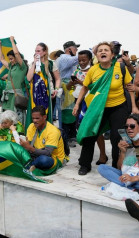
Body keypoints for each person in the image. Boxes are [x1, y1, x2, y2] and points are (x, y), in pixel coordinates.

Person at [73, 42, 136, 175]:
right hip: (98, 108)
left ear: (112, 54)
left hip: (118, 107)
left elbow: (130, 87)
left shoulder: (120, 67)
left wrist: (134, 107)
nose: (103, 52)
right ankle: (85, 165)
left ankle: (115, 166)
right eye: (100, 50)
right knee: (90, 134)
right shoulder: (93, 70)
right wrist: (77, 104)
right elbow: (85, 87)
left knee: (116, 137)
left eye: (106, 50)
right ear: (96, 55)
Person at [20, 106, 66, 174]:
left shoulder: (53, 131)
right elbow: (28, 144)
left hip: (51, 158)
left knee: (43, 160)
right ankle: (32, 165)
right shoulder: (31, 126)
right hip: (35, 155)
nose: (34, 121)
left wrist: (30, 148)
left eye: (37, 118)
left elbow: (48, 153)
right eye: (33, 118)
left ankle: (28, 166)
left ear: (44, 117)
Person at [98, 114, 139, 190]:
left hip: (136, 178)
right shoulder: (127, 144)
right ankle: (128, 186)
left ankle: (126, 185)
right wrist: (123, 152)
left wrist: (133, 179)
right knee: (102, 168)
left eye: (132, 126)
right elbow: (119, 168)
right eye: (126, 127)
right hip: (125, 175)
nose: (129, 129)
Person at [26, 42, 61, 126]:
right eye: (35, 51)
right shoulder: (32, 64)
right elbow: (28, 78)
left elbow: (58, 78)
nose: (36, 53)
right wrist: (34, 63)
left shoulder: (50, 64)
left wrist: (56, 89)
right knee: (34, 114)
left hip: (47, 93)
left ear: (44, 52)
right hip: (34, 94)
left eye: (38, 51)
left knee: (45, 114)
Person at [0, 36, 28, 127]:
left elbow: (17, 53)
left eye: (12, 58)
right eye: (9, 59)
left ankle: (19, 133)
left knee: (17, 117)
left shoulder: (22, 67)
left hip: (16, 95)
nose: (10, 60)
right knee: (7, 116)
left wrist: (12, 42)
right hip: (8, 96)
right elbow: (2, 59)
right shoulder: (11, 66)